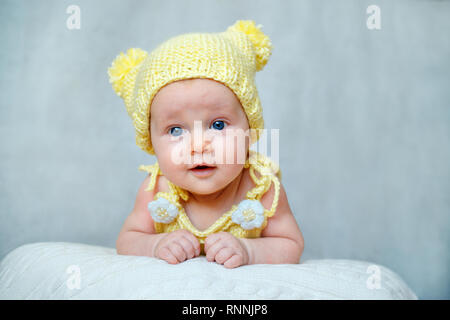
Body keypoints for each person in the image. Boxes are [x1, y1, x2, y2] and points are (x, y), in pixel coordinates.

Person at [109, 20, 304, 268]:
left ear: (248, 128)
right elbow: (126, 240)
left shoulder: (261, 188)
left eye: (218, 125)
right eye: (176, 130)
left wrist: (249, 250)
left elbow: (291, 245)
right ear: (151, 141)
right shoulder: (156, 189)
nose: (199, 146)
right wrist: (155, 245)